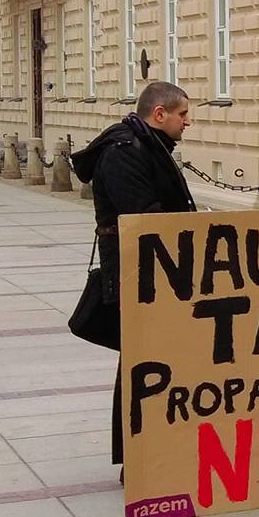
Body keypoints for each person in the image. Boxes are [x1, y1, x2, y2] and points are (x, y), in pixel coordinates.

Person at [69, 82, 197, 473]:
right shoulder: (124, 151)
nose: (187, 122)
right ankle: (139, 459)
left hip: (158, 274)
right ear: (160, 114)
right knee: (143, 364)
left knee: (161, 359)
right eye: (182, 114)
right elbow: (144, 217)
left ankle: (157, 449)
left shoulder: (148, 146)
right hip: (138, 275)